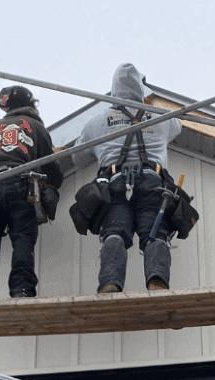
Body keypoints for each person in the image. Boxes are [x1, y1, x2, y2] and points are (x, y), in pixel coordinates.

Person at [73, 63, 183, 294]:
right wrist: (147, 110)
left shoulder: (96, 122)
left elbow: (77, 157)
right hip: (152, 182)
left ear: (114, 89)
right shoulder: (162, 118)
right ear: (140, 90)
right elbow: (178, 127)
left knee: (114, 231)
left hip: (114, 184)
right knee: (154, 231)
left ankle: (110, 283)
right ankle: (157, 282)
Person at [0, 85, 62, 300]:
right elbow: (53, 173)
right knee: (23, 240)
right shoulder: (35, 127)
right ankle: (21, 289)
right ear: (30, 104)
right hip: (22, 188)